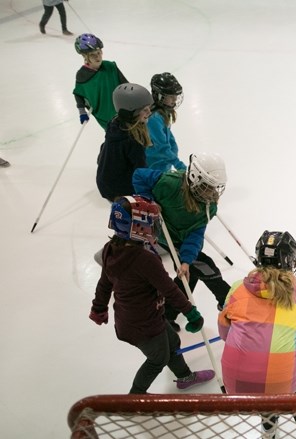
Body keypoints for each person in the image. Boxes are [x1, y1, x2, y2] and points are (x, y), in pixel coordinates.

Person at [89, 195, 215, 394]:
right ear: (135, 228)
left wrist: (99, 308)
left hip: (135, 318)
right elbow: (169, 289)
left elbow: (104, 283)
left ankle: (184, 377)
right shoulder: (144, 259)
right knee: (158, 359)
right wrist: (191, 312)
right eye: (149, 223)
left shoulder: (110, 250)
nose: (152, 227)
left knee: (172, 342)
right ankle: (136, 396)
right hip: (143, 325)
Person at [218, 230, 296, 439]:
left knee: (263, 381)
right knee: (295, 381)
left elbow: (224, 330)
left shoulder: (237, 288)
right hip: (282, 384)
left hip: (235, 384)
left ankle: (268, 430)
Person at [133, 153, 231, 330]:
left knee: (190, 271)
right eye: (207, 187)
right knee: (205, 266)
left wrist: (186, 260)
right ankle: (227, 301)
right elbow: (139, 175)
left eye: (215, 187)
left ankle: (167, 313)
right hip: (166, 235)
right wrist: (149, 201)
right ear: (194, 178)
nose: (212, 193)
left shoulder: (209, 206)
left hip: (182, 240)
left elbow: (195, 235)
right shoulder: (169, 183)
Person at [96, 83, 153, 202]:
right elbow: (141, 170)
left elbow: (103, 149)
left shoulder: (114, 125)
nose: (149, 112)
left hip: (103, 181)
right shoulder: (133, 140)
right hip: (120, 190)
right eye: (144, 110)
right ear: (130, 113)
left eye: (149, 108)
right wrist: (149, 197)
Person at [73, 33, 128, 130]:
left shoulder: (110, 66)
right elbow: (78, 93)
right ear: (85, 57)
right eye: (92, 55)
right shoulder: (82, 75)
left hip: (123, 112)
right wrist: (82, 111)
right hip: (105, 118)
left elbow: (125, 84)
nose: (97, 57)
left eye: (98, 52)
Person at [146, 72, 187, 172]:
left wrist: (174, 149)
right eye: (171, 96)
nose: (175, 99)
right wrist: (179, 165)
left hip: (163, 164)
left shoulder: (163, 113)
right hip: (154, 169)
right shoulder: (153, 119)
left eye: (175, 95)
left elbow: (168, 135)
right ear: (159, 96)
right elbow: (162, 147)